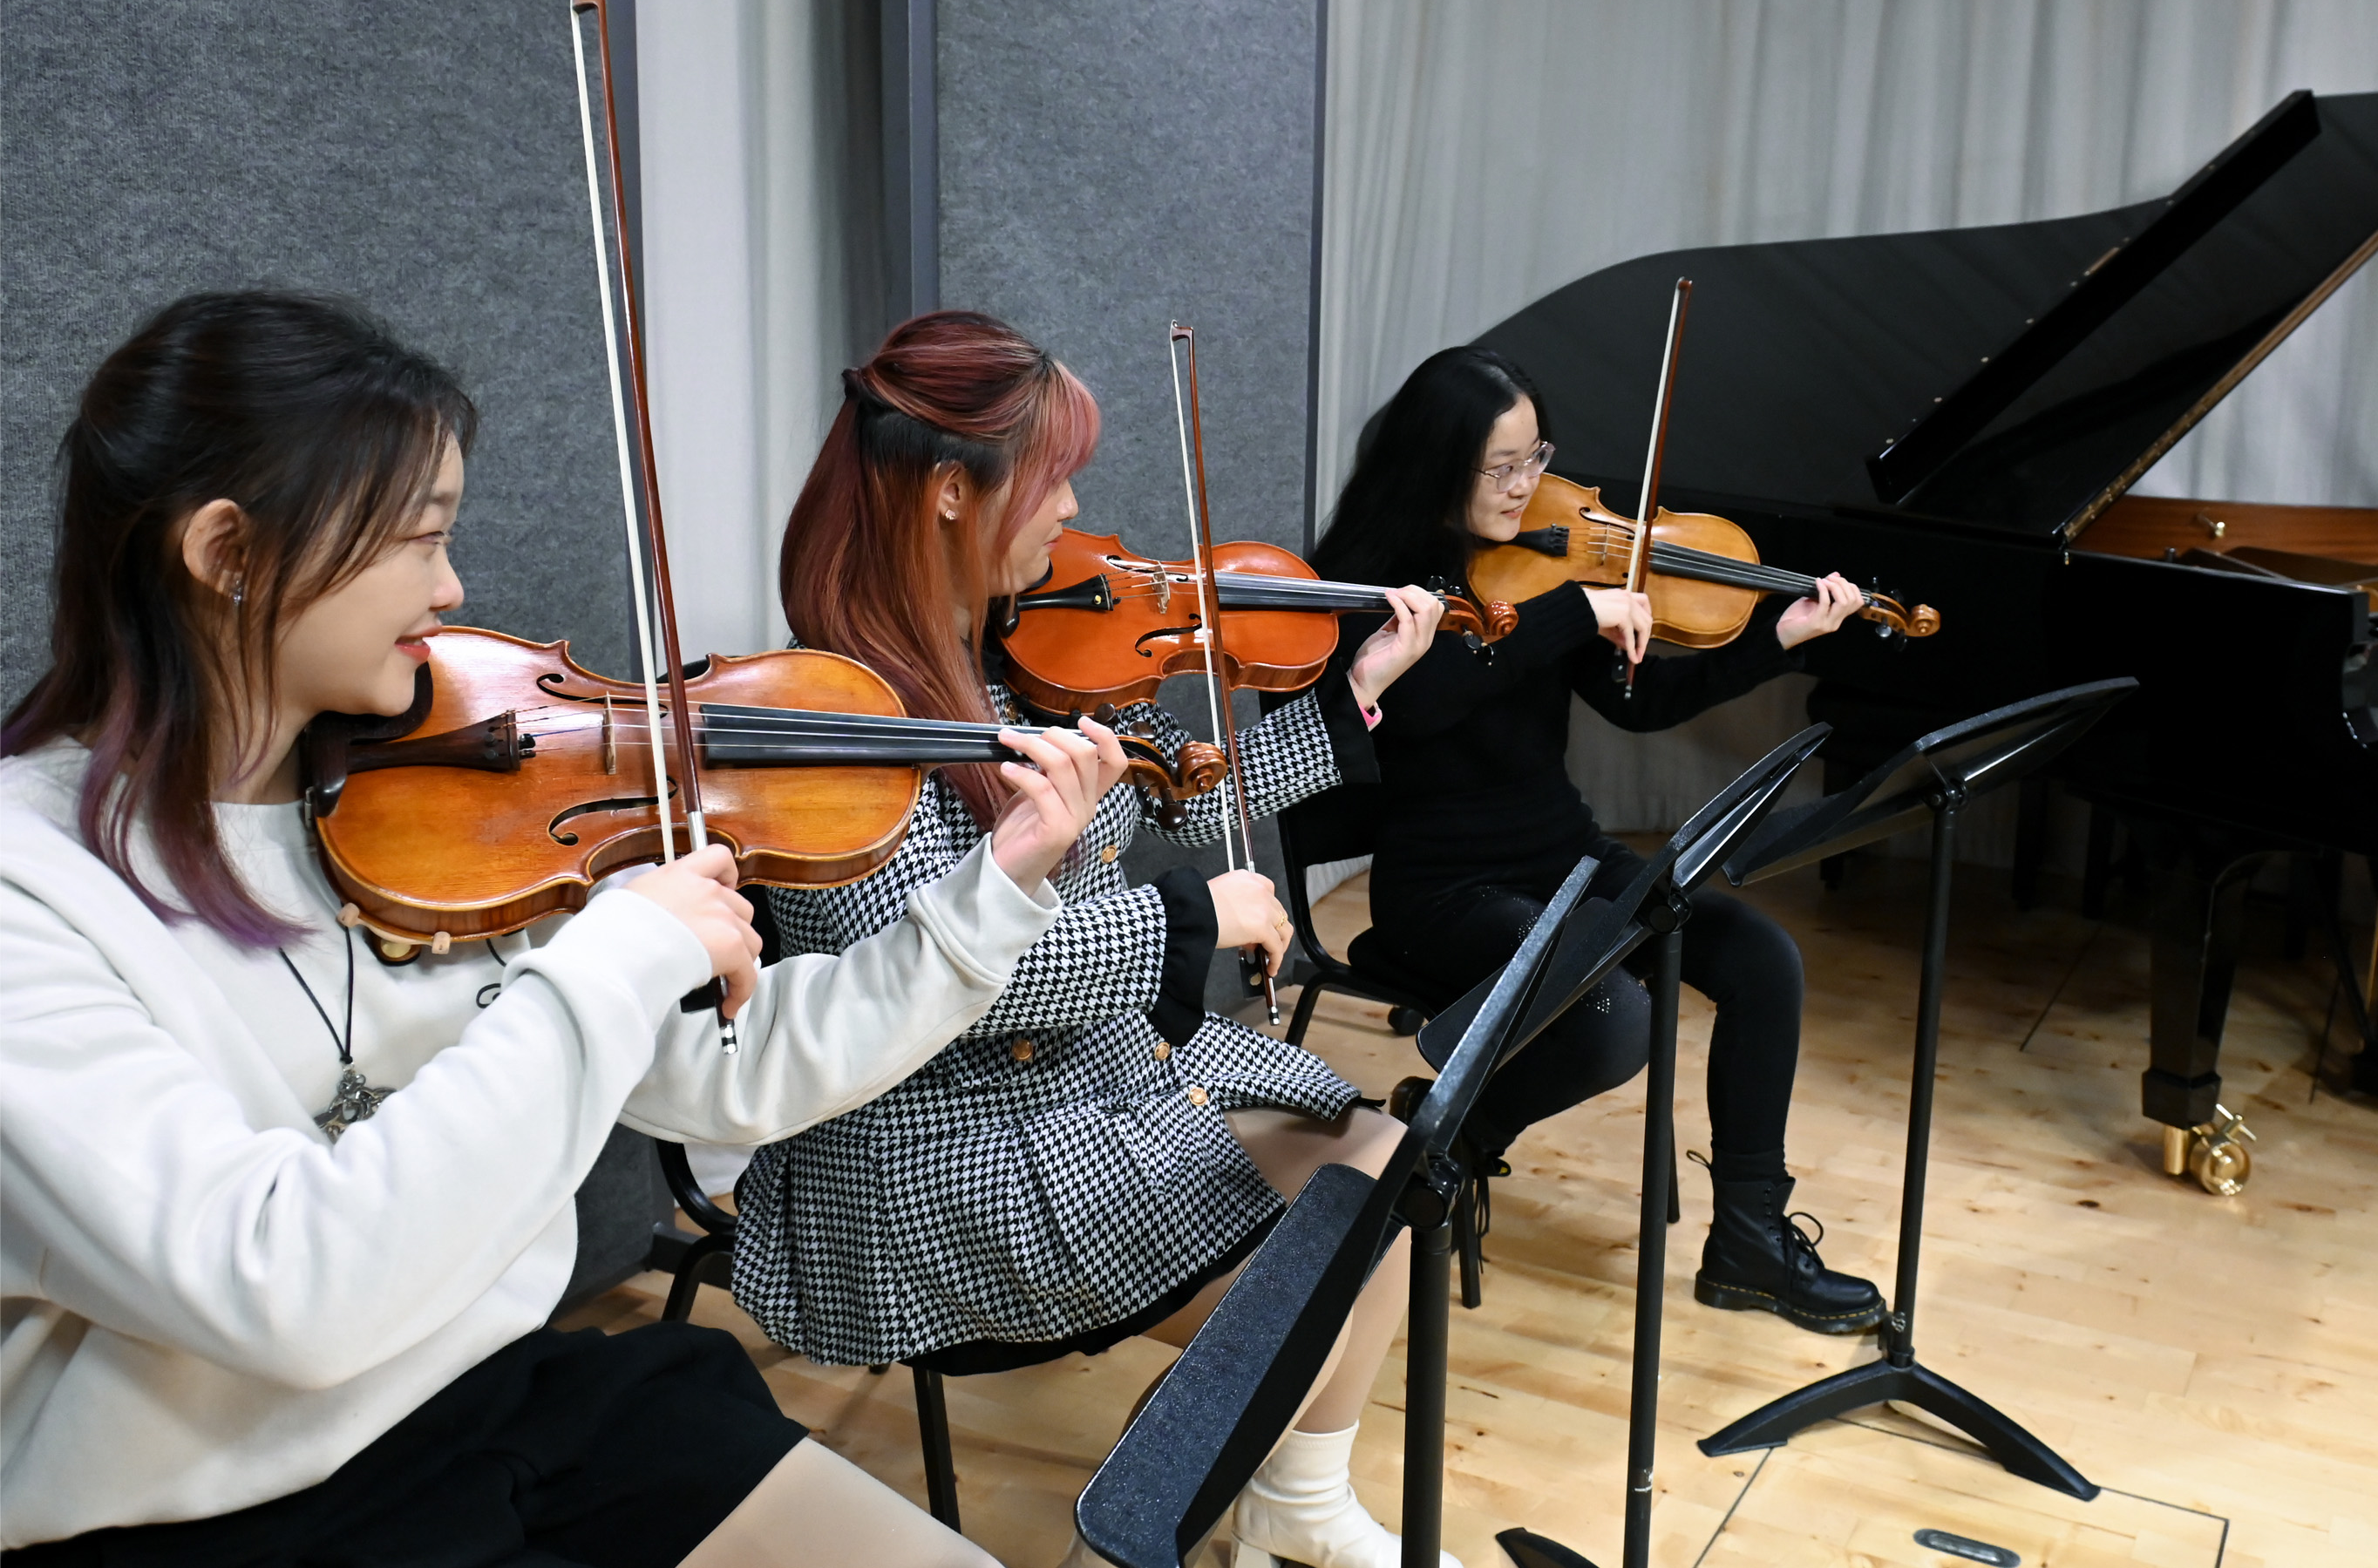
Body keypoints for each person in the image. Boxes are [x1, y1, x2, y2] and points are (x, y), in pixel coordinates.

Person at [0, 292, 1123, 1566]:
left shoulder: (430, 807)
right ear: (227, 550)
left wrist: (1000, 890)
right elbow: (282, 1287)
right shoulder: (27, 890)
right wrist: (619, 955)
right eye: (420, 540)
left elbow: (731, 1079)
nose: (454, 587)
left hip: (487, 1401)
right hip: (200, 1510)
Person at [732, 310, 1451, 1568]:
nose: (1074, 506)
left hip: (1090, 1079)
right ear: (953, 491)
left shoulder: (995, 669)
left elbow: (1181, 787)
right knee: (1319, 1263)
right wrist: (1185, 913)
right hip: (933, 1151)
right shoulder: (829, 715)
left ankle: (1298, 1502)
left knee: (1386, 1159)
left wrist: (1360, 689)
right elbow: (925, 974)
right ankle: (1143, 1528)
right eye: (1053, 473)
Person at [1311, 346, 1889, 1334]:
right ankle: (1438, 1142)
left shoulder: (1542, 562)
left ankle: (1748, 1238)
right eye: (1500, 467)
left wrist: (1774, 639)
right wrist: (1568, 612)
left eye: (1534, 456)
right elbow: (1414, 709)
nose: (1527, 485)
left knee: (1761, 957)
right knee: (1608, 1017)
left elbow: (1642, 703)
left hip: (1563, 859)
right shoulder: (1363, 582)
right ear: (1436, 459)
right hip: (1444, 891)